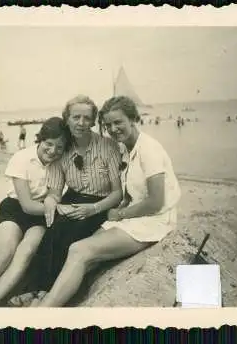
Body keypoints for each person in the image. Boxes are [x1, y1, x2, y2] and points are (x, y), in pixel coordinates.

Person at [35, 96, 181, 307]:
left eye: (118, 122)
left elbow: (157, 201)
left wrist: (119, 214)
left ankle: (45, 309)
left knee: (79, 250)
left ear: (133, 119)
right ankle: (52, 296)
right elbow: (131, 191)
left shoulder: (149, 149)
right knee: (78, 250)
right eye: (108, 124)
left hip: (154, 221)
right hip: (135, 215)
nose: (113, 129)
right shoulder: (128, 148)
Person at [0, 117, 71, 307]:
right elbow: (27, 206)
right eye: (49, 144)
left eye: (60, 147)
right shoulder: (22, 158)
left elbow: (55, 193)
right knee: (6, 251)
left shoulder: (60, 163)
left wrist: (53, 201)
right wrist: (61, 209)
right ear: (40, 139)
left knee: (26, 251)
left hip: (41, 215)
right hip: (16, 208)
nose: (53, 151)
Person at [29, 95, 123, 306]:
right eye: (76, 117)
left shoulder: (108, 146)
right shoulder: (62, 148)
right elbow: (54, 191)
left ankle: (54, 293)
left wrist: (93, 209)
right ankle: (38, 289)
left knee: (73, 233)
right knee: (52, 228)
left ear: (93, 121)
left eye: (87, 118)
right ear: (67, 119)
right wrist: (52, 202)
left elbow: (117, 193)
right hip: (72, 198)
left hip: (101, 201)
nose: (81, 123)